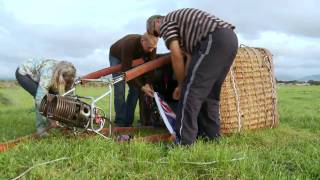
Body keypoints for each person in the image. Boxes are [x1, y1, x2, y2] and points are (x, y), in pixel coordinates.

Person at [147, 8, 238, 145]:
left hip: (214, 38)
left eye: (155, 32)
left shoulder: (166, 22)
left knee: (189, 93)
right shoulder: (184, 30)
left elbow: (176, 56)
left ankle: (183, 142)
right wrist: (184, 81)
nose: (159, 36)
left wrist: (182, 85)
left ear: (157, 21)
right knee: (210, 95)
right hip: (230, 40)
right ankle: (211, 138)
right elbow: (189, 58)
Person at [15, 58, 76, 136]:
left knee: (53, 97)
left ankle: (52, 125)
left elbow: (69, 95)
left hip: (44, 75)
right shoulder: (48, 74)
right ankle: (41, 129)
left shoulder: (70, 74)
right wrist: (52, 119)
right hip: (24, 74)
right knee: (43, 99)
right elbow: (40, 100)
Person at [109, 33, 158, 127]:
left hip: (132, 58)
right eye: (149, 47)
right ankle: (120, 121)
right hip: (117, 57)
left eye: (153, 48)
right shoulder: (129, 44)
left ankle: (128, 120)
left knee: (135, 90)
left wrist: (147, 83)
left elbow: (151, 67)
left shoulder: (152, 46)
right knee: (120, 89)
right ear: (142, 41)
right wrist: (142, 86)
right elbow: (126, 72)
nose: (151, 50)